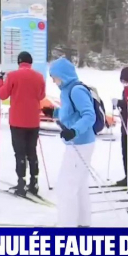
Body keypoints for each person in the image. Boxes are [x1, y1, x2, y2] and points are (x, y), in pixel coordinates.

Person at [41, 57, 96, 227]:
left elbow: (89, 115)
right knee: (79, 185)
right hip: (78, 143)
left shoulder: (76, 90)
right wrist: (55, 113)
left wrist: (74, 131)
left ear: (63, 75)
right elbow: (71, 113)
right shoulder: (67, 90)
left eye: (54, 76)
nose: (53, 80)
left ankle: (67, 225)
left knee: (66, 187)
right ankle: (82, 222)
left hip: (80, 143)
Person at [0, 51, 46, 196]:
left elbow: (2, 94)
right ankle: (34, 182)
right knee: (32, 151)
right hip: (33, 120)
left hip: (17, 120)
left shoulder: (12, 76)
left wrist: (0, 80)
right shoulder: (39, 76)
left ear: (19, 62)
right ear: (30, 62)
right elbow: (41, 95)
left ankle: (21, 183)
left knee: (19, 152)